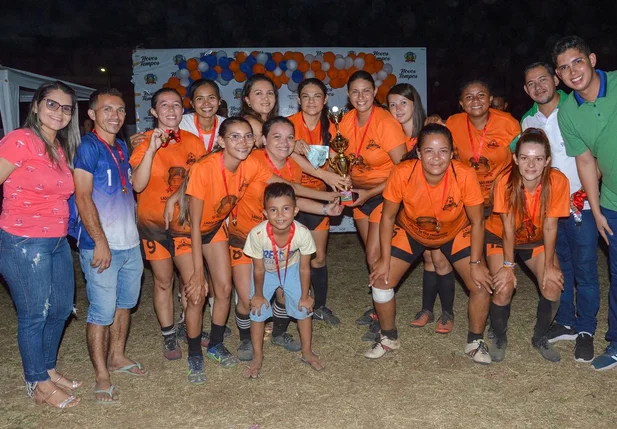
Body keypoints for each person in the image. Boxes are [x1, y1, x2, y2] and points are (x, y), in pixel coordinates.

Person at [177, 117, 338, 383]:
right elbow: (193, 224)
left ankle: (216, 344)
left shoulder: (251, 163)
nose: (242, 142)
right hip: (187, 231)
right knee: (199, 293)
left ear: (255, 140)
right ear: (221, 141)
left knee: (224, 290)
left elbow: (289, 192)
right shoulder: (205, 168)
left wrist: (328, 199)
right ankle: (196, 353)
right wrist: (196, 272)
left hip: (217, 228)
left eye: (247, 136)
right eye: (235, 137)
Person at [368, 124, 492, 361]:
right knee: (381, 280)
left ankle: (475, 342)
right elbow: (388, 216)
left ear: (452, 153)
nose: (436, 158)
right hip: (412, 230)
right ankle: (388, 338)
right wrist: (384, 259)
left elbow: (477, 222)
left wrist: (476, 262)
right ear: (418, 153)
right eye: (429, 151)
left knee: (480, 283)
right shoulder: (403, 172)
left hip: (455, 231)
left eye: (443, 151)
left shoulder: (464, 174)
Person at [228, 116, 342, 362]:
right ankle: (245, 338)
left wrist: (325, 210)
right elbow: (292, 188)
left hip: (278, 240)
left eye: (290, 137)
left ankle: (279, 333)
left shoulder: (293, 163)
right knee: (247, 297)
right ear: (264, 140)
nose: (284, 142)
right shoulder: (255, 160)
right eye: (277, 137)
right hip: (246, 237)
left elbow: (292, 201)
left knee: (282, 292)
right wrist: (327, 192)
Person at [0, 81, 81, 408]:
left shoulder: (57, 146)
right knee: (35, 313)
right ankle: (37, 382)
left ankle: (46, 367)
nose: (59, 112)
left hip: (57, 240)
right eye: (52, 104)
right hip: (24, 240)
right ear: (35, 105)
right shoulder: (20, 140)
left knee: (61, 308)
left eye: (66, 107)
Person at [516, 61, 599, 363]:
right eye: (531, 83)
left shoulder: (575, 109)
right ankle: (565, 322)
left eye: (543, 79)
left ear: (555, 79)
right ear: (526, 90)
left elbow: (596, 154)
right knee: (557, 265)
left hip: (581, 207)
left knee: (586, 270)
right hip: (548, 211)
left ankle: (586, 329)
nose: (538, 86)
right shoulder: (528, 122)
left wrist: (589, 192)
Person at [71, 88, 146, 404]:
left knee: (124, 305)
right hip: (101, 246)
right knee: (101, 313)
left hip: (130, 244)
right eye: (107, 109)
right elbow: (82, 196)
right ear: (92, 114)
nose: (115, 115)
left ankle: (117, 356)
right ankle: (101, 373)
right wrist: (100, 242)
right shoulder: (88, 148)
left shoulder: (120, 149)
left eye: (120, 110)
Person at [129, 87, 206, 362]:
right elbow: (138, 183)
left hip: (184, 223)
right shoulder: (143, 142)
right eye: (164, 105)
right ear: (153, 112)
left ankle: (189, 324)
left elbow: (201, 179)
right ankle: (168, 333)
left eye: (176, 105)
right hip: (152, 224)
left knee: (192, 279)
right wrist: (151, 148)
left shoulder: (193, 142)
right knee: (163, 281)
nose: (171, 110)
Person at [554, 35, 617, 371]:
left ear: (592, 59)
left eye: (577, 61)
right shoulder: (568, 111)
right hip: (612, 203)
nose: (572, 71)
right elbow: (586, 161)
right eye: (563, 67)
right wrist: (596, 208)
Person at [485, 128, 570, 362]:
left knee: (553, 284)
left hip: (536, 240)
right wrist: (508, 267)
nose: (531, 165)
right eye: (525, 157)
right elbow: (508, 228)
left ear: (547, 161)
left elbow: (551, 226)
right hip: (500, 238)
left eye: (538, 158)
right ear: (515, 159)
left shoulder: (557, 181)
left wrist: (551, 265)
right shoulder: (505, 181)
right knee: (503, 287)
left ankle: (539, 336)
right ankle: (499, 336)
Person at [339, 71, 408, 338]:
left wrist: (369, 194)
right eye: (355, 92)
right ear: (348, 94)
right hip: (359, 195)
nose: (361, 97)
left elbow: (403, 168)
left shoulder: (386, 122)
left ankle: (383, 321)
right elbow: (339, 158)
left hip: (384, 193)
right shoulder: (344, 121)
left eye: (366, 91)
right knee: (373, 261)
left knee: (374, 255)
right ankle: (377, 307)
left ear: (375, 92)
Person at [387, 83, 455, 334]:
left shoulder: (430, 130)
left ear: (415, 104)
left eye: (403, 103)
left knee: (438, 257)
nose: (397, 109)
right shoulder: (389, 132)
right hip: (406, 210)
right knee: (428, 259)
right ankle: (427, 309)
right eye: (392, 104)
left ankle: (447, 312)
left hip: (434, 206)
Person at [245, 183, 325, 378]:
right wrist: (257, 294)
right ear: (265, 213)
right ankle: (257, 357)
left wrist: (305, 296)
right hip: (266, 272)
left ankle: (307, 352)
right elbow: (258, 268)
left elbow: (306, 267)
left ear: (296, 211)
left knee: (304, 309)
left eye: (286, 209)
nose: (280, 215)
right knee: (257, 310)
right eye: (273, 210)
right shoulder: (257, 234)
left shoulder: (303, 233)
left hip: (292, 269)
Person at [288, 78, 342, 325]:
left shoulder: (334, 126)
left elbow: (337, 159)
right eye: (306, 96)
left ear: (326, 99)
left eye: (317, 96)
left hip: (319, 196)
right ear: (298, 100)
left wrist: (341, 176)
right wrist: (291, 145)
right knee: (290, 257)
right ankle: (291, 305)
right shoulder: (288, 125)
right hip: (292, 198)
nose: (311, 101)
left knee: (318, 257)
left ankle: (319, 305)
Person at [179, 79, 226, 152]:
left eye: (211, 98)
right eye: (200, 99)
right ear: (192, 104)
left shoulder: (226, 125)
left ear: (219, 101)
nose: (206, 103)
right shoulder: (181, 124)